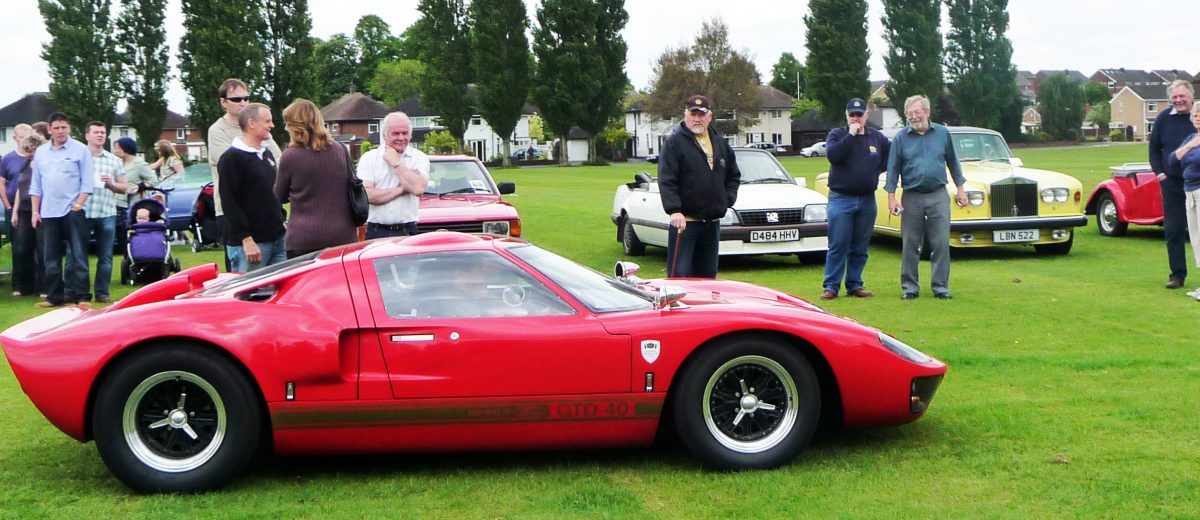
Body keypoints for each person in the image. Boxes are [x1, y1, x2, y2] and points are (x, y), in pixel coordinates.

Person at [886, 95, 967, 300]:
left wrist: (960, 189)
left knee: (940, 242)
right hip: (912, 196)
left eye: (917, 112)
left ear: (927, 112)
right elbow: (893, 169)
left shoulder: (942, 134)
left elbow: (953, 162)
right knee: (910, 243)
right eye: (909, 114)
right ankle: (910, 288)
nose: (913, 117)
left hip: (938, 194)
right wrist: (891, 197)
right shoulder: (900, 138)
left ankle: (940, 287)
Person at [657, 94, 741, 278]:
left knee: (708, 277)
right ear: (685, 115)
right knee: (680, 276)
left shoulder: (720, 144)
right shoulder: (674, 143)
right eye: (693, 114)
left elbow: (733, 176)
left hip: (711, 224)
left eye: (701, 114)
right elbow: (667, 178)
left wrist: (726, 200)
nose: (697, 119)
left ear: (709, 116)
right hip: (685, 224)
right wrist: (674, 210)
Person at [208, 78, 282, 271]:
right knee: (246, 283)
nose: (242, 102)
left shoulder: (263, 144)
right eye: (236, 99)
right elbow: (230, 191)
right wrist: (246, 238)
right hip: (236, 218)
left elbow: (278, 160)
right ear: (224, 102)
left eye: (246, 98)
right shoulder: (219, 134)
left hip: (270, 227)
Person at [820, 98, 890, 300]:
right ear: (847, 115)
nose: (856, 118)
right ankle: (831, 286)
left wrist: (874, 170)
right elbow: (833, 156)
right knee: (838, 245)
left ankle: (855, 284)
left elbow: (888, 157)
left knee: (860, 246)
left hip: (867, 200)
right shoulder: (838, 134)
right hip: (841, 199)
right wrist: (851, 135)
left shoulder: (876, 137)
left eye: (860, 114)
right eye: (852, 115)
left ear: (866, 115)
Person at [274, 98, 358, 258]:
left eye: (288, 123)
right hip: (343, 236)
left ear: (296, 126)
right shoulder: (341, 150)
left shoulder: (290, 156)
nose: (285, 128)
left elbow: (279, 196)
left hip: (304, 238)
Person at [29, 112, 93, 308]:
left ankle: (82, 296)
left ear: (69, 128)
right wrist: (35, 211)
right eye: (56, 128)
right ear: (50, 130)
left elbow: (87, 183)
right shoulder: (41, 152)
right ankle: (54, 297)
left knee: (79, 255)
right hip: (48, 211)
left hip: (72, 210)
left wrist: (77, 206)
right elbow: (36, 185)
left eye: (63, 127)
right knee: (50, 258)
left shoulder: (80, 150)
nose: (60, 131)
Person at [1148, 80, 1195, 290]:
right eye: (1174, 97)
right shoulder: (1163, 118)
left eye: (1182, 96)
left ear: (1191, 96)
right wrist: (1160, 173)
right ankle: (1177, 274)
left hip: (1198, 183)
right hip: (1172, 184)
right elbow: (1154, 149)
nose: (1178, 100)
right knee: (1174, 230)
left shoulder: (1198, 117)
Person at [358, 111, 430, 239]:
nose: (401, 138)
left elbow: (418, 189)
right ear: (385, 135)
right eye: (396, 133)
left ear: (410, 135)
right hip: (376, 230)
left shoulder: (419, 158)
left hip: (407, 230)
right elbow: (368, 196)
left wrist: (397, 163)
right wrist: (403, 188)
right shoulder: (369, 158)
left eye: (405, 133)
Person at [83, 122, 127, 304]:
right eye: (96, 132)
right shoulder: (79, 157)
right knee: (77, 255)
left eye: (102, 132)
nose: (100, 135)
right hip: (83, 211)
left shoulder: (113, 160)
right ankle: (80, 293)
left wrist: (111, 184)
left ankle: (102, 293)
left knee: (106, 256)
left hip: (106, 211)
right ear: (87, 136)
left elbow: (124, 187)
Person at [1167, 102, 1200, 301]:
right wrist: (1190, 145)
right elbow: (1172, 159)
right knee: (1196, 239)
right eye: (1196, 115)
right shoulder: (1190, 138)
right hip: (1189, 193)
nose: (1198, 118)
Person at [8, 133, 45, 297]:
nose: (29, 154)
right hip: (23, 210)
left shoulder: (45, 165)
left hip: (41, 211)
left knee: (43, 249)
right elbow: (19, 189)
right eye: (28, 151)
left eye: (32, 151)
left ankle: (44, 286)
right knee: (22, 248)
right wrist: (14, 211)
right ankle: (24, 286)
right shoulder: (25, 165)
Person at [2, 123, 33, 268]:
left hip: (34, 206)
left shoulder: (36, 158)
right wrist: (8, 206)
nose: (25, 141)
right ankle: (19, 279)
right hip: (15, 207)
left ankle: (37, 278)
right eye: (22, 137)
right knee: (19, 246)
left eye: (28, 137)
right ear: (15, 138)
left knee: (37, 246)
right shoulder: (8, 158)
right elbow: (1, 183)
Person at [113, 137, 157, 204]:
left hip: (133, 204)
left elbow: (154, 181)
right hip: (117, 203)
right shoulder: (118, 163)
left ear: (126, 148)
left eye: (117, 149)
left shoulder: (140, 164)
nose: (115, 151)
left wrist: (140, 187)